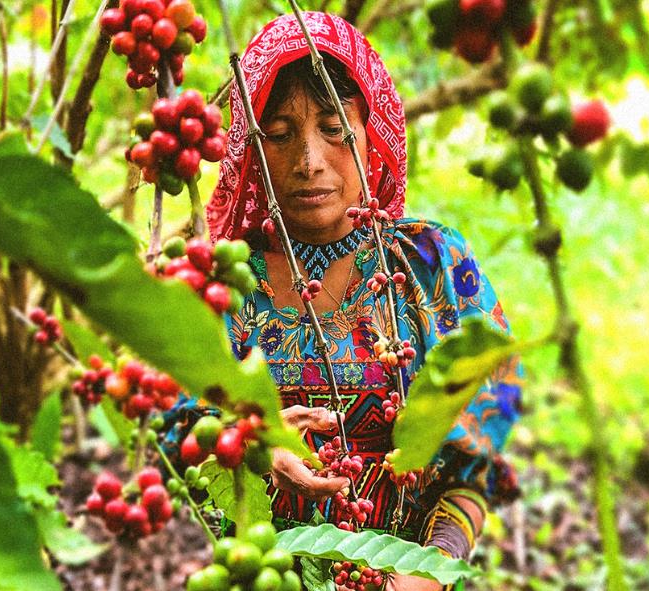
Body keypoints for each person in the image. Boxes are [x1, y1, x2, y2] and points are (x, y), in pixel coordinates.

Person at [171, 12, 523, 591]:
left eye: (335, 129)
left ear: (372, 134)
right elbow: (175, 432)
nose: (309, 160)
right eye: (279, 135)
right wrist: (245, 450)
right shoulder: (223, 281)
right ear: (251, 151)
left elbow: (479, 446)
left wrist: (430, 573)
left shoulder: (427, 264)